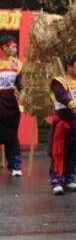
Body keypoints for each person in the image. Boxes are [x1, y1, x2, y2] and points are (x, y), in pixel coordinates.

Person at [49, 55, 76, 195]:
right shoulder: (59, 81)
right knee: (60, 152)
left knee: (74, 151)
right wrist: (71, 104)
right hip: (63, 122)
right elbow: (61, 96)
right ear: (69, 66)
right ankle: (56, 180)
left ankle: (69, 178)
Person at [0, 35, 24, 177]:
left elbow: (20, 84)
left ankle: (15, 165)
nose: (15, 48)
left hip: (10, 102)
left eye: (16, 46)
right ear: (4, 48)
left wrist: (29, 96)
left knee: (12, 133)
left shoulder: (17, 64)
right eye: (12, 46)